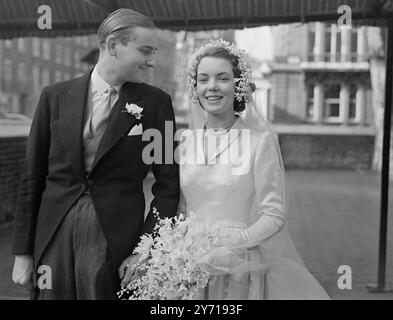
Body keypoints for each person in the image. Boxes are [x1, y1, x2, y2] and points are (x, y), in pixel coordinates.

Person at [11, 8, 179, 299]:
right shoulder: (55, 97)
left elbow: (168, 188)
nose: (151, 61)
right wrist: (22, 253)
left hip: (114, 241)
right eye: (145, 51)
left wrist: (146, 250)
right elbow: (32, 177)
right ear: (114, 45)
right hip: (54, 235)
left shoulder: (157, 104)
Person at [178, 39, 330, 299]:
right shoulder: (184, 143)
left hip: (240, 268)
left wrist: (231, 246)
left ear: (238, 85)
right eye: (203, 79)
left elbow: (274, 214)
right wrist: (174, 248)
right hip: (189, 267)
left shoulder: (260, 142)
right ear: (195, 87)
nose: (211, 87)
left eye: (222, 78)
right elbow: (181, 207)